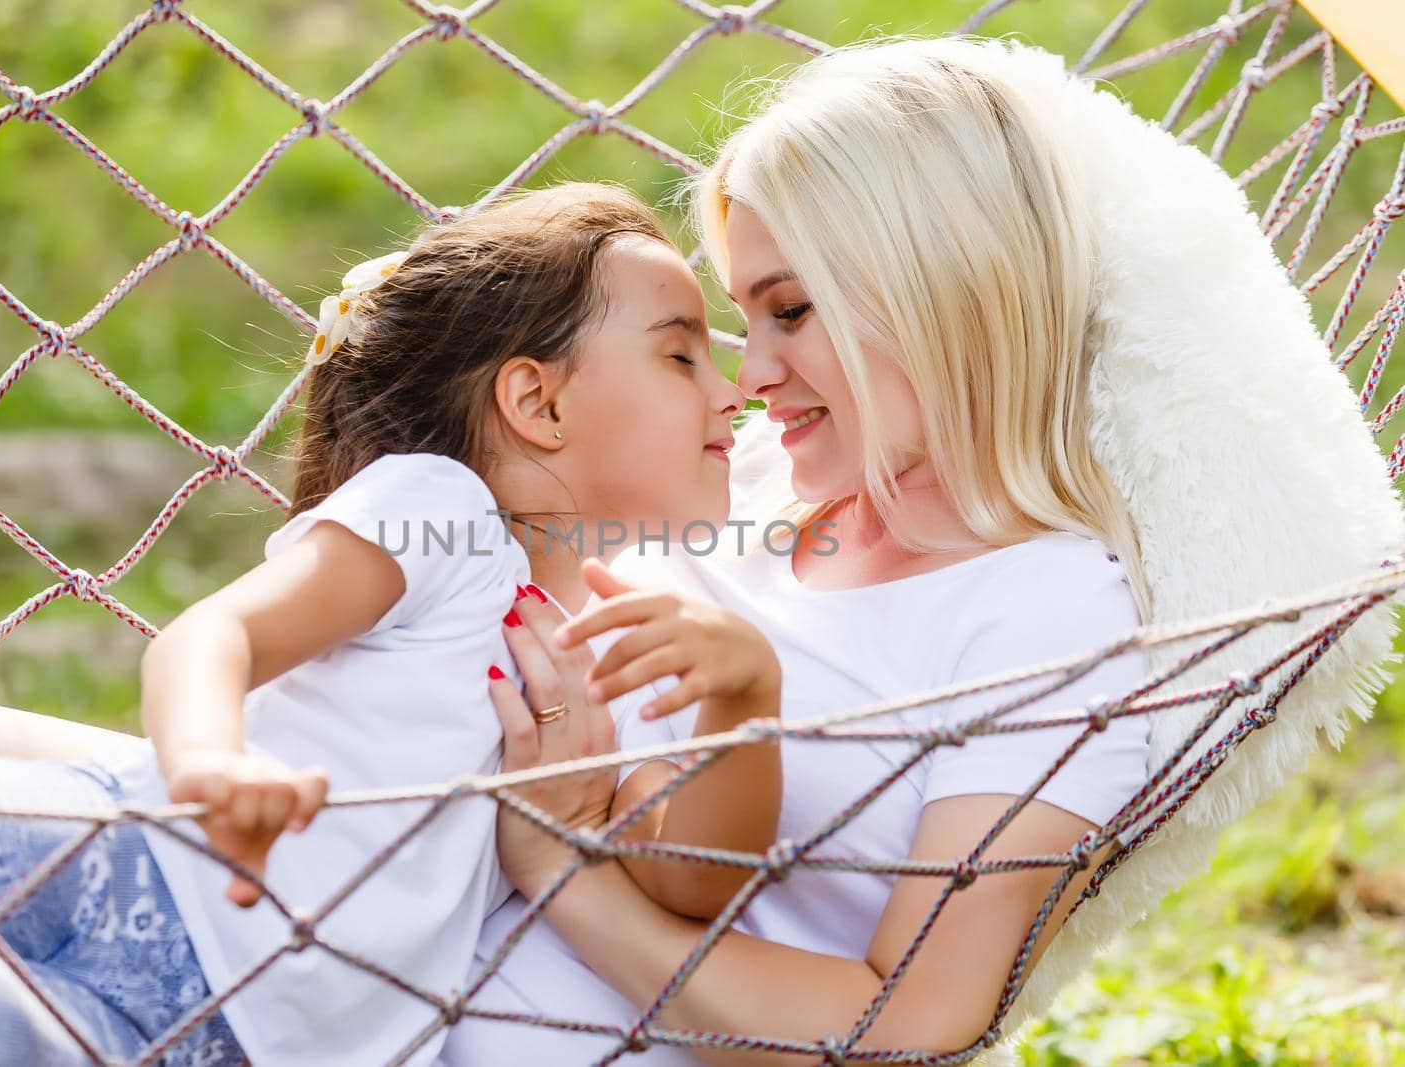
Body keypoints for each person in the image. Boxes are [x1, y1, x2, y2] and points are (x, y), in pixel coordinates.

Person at [0, 183, 786, 1067]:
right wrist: (208, 765)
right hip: (121, 860)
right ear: (537, 399)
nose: (730, 389)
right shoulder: (439, 514)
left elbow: (692, 879)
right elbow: (212, 635)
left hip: (220, 1048)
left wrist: (745, 698)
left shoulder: (627, 629)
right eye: (679, 352)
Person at [439, 36, 1159, 1064]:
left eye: (788, 311)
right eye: (741, 321)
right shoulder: (738, 489)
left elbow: (912, 1016)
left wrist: (557, 867)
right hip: (341, 938)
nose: (750, 376)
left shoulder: (1046, 609)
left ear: (942, 289)